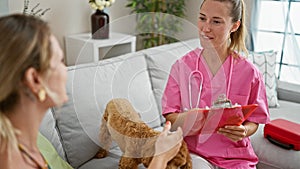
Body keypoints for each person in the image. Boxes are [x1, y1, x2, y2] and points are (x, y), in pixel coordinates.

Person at [0, 14, 183, 169]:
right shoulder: (12, 160)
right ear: (34, 80)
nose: (66, 71)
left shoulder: (24, 145)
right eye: (60, 62)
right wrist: (160, 157)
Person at [162, 0, 270, 168]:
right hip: (193, 152)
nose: (206, 28)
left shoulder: (249, 72)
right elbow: (170, 117)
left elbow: (254, 121)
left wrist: (244, 131)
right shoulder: (181, 67)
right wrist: (193, 118)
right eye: (202, 18)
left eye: (216, 21)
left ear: (234, 26)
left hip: (236, 157)